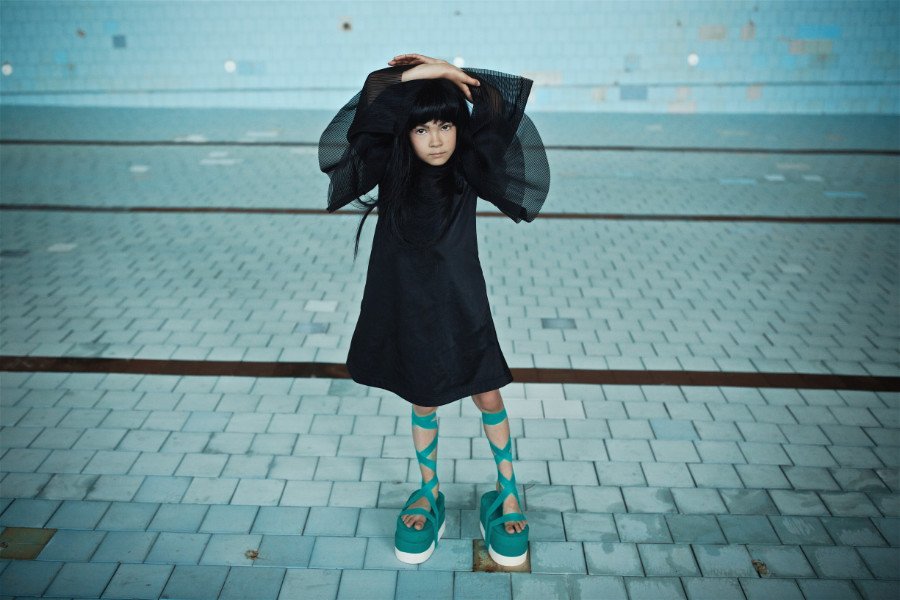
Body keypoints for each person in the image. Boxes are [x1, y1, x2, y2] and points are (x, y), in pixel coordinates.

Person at [318, 53, 550, 567]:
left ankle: (507, 491)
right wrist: (424, 74)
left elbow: (498, 109)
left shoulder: (469, 168)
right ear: (406, 135)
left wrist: (448, 70)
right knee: (422, 397)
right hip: (405, 302)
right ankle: (428, 491)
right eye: (422, 129)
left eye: (446, 126)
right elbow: (373, 100)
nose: (437, 139)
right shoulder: (388, 165)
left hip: (461, 300)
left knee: (487, 392)